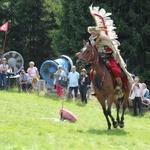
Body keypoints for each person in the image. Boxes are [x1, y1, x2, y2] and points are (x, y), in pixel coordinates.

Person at [87, 26, 133, 96]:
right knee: (91, 72)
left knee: (115, 70)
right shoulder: (94, 40)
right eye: (91, 33)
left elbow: (111, 49)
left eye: (92, 33)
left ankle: (119, 87)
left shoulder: (105, 39)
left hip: (109, 58)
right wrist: (91, 43)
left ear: (96, 32)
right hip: (100, 59)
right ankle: (95, 88)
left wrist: (101, 50)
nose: (91, 35)